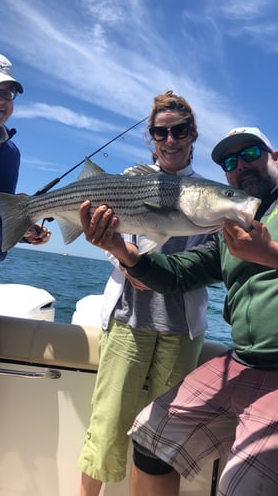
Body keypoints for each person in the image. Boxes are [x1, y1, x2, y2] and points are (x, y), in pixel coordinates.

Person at [83, 126, 278, 495]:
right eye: (229, 161)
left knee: (245, 487)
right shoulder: (230, 230)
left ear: (274, 157)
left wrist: (275, 254)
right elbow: (180, 274)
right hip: (246, 362)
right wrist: (126, 254)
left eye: (250, 154)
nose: (241, 166)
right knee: (149, 439)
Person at [78, 91, 216, 495]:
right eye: (161, 132)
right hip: (128, 318)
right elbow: (111, 241)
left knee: (163, 440)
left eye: (180, 131)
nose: (170, 140)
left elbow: (212, 258)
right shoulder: (128, 180)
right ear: (151, 138)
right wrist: (124, 262)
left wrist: (157, 270)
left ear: (193, 134)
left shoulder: (210, 194)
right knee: (106, 425)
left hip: (181, 327)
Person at [0, 51, 51, 368]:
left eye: (6, 93)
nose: (0, 100)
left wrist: (23, 230)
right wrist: (17, 209)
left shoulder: (12, 152)